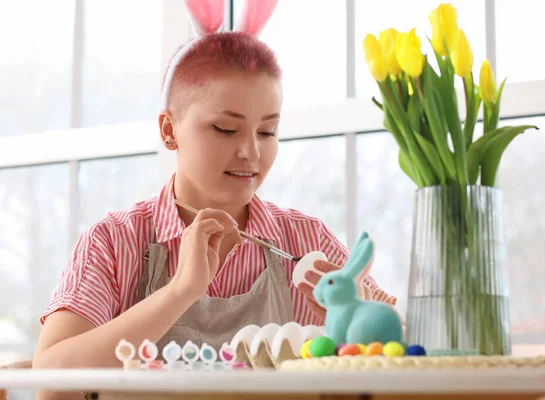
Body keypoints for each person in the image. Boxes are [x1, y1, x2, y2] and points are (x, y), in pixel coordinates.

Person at [33, 0, 397, 377]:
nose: (251, 152)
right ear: (169, 130)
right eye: (226, 129)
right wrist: (180, 291)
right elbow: (51, 379)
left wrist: (355, 318)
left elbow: (404, 344)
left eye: (267, 131)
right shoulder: (114, 241)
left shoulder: (305, 239)